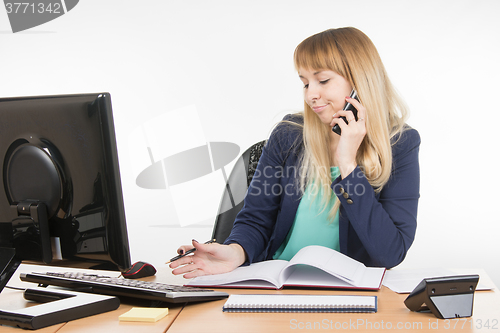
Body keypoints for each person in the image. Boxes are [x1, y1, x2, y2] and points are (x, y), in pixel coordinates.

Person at [170, 27, 420, 279]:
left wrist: (348, 165)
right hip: (277, 281)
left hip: (347, 290)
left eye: (323, 80)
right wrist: (236, 251)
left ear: (360, 81)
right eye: (305, 83)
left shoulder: (400, 143)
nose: (311, 94)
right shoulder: (288, 135)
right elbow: (256, 220)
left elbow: (390, 253)